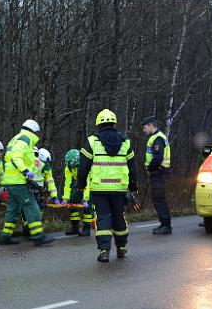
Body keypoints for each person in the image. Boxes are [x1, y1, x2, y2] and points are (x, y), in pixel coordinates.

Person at [78, 109, 137, 263]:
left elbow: (83, 166)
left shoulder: (92, 141)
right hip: (119, 189)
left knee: (103, 218)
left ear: (98, 124)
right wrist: (133, 186)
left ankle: (104, 251)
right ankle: (122, 247)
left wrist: (81, 185)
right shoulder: (125, 143)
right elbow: (132, 167)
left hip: (99, 189)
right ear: (114, 123)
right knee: (119, 217)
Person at [0, 119, 54, 246]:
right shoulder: (25, 139)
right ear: (34, 131)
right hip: (19, 181)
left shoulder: (16, 138)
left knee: (13, 209)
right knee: (32, 207)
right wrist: (25, 171)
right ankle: (37, 235)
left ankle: (5, 236)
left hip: (11, 181)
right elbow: (16, 157)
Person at [142, 115, 172, 235]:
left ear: (150, 125)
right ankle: (164, 224)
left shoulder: (158, 139)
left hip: (159, 173)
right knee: (158, 199)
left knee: (159, 200)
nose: (144, 131)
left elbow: (157, 158)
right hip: (158, 174)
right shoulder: (156, 137)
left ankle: (166, 226)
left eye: (145, 128)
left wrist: (150, 168)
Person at [62, 149, 93, 236]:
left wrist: (85, 199)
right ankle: (74, 227)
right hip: (79, 183)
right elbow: (67, 183)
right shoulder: (69, 168)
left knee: (87, 207)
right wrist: (66, 198)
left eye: (74, 166)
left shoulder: (86, 165)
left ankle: (86, 228)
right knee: (73, 201)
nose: (73, 168)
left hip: (90, 184)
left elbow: (87, 184)